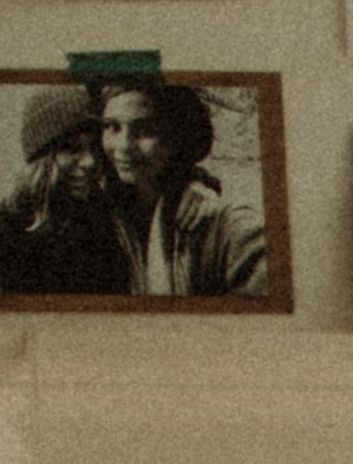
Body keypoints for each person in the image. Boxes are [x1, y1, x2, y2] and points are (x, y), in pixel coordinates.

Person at [98, 79, 268, 300]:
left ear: (177, 137)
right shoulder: (98, 209)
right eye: (112, 127)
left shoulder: (226, 227)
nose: (123, 146)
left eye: (145, 130)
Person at [0, 82, 133, 300]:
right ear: (42, 159)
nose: (90, 161)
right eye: (71, 148)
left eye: (94, 147)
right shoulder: (10, 225)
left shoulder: (105, 205)